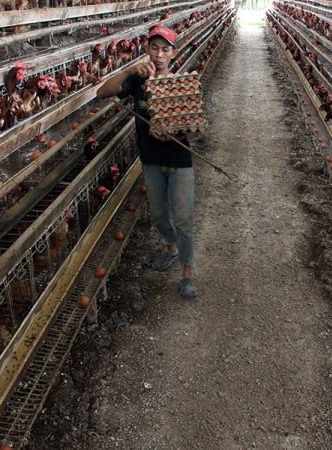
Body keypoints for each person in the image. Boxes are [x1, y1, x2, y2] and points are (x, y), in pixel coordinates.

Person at [97, 24, 198, 298]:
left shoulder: (180, 85)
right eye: (154, 48)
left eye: (165, 49)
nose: (159, 54)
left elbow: (193, 127)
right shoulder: (136, 81)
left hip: (179, 160)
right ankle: (171, 248)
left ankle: (187, 273)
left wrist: (174, 131)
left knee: (184, 218)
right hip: (150, 159)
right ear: (146, 50)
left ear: (173, 54)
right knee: (159, 215)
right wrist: (129, 71)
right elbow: (102, 93)